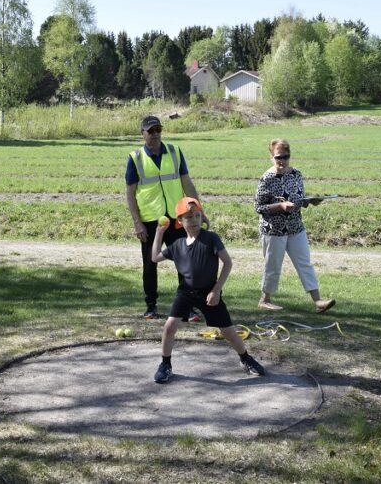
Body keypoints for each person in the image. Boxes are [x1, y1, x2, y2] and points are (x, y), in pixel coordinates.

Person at [150, 197, 265, 384]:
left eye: (197, 215)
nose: (194, 220)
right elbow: (154, 257)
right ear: (179, 221)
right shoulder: (178, 245)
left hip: (209, 293)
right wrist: (159, 233)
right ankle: (165, 364)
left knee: (228, 332)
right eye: (188, 217)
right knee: (169, 327)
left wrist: (217, 290)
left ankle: (246, 358)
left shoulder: (210, 238)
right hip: (185, 292)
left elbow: (227, 263)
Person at [125, 115, 203, 321]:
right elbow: (130, 193)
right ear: (142, 133)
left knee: (185, 261)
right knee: (150, 264)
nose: (155, 134)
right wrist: (137, 222)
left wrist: (198, 212)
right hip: (150, 220)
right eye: (150, 131)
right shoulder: (135, 158)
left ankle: (187, 307)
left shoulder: (175, 151)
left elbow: (187, 183)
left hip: (177, 217)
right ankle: (151, 306)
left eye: (158, 129)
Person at [253, 138, 335, 313]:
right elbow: (258, 207)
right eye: (278, 157)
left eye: (285, 156)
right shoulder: (267, 178)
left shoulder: (296, 174)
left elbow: (298, 199)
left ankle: (318, 302)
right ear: (271, 157)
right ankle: (265, 299)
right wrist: (280, 206)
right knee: (273, 266)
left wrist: (310, 201)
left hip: (295, 227)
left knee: (304, 263)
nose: (282, 161)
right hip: (274, 230)